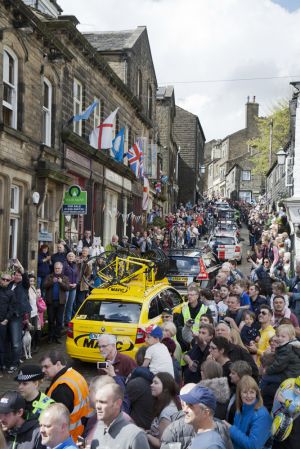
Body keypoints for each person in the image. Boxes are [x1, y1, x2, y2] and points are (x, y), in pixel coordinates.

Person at [40, 350, 93, 442]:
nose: (43, 370)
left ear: (58, 364)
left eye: (46, 367)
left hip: (69, 437)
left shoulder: (62, 388)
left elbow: (54, 420)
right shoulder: (74, 374)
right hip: (82, 431)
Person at [91, 383, 150, 449]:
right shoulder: (98, 427)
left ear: (118, 403)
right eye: (97, 401)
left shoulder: (136, 435)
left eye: (103, 402)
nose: (97, 406)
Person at [224, 375, 272, 449]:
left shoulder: (262, 415)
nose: (249, 396)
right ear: (240, 394)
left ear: (256, 393)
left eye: (252, 392)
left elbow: (253, 446)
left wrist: (231, 429)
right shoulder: (240, 410)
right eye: (245, 392)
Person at [180, 385, 226, 449]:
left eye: (190, 405)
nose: (184, 410)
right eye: (186, 404)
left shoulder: (212, 445)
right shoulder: (202, 436)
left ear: (206, 412)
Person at [147, 372, 180, 448]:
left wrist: (146, 435)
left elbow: (163, 444)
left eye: (156, 383)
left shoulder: (167, 412)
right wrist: (149, 431)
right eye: (152, 382)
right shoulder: (165, 404)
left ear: (165, 388)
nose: (151, 385)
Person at [7, 268, 31, 374]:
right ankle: (8, 361)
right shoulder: (9, 284)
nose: (17, 276)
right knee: (7, 340)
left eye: (19, 275)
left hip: (17, 315)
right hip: (6, 315)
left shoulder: (24, 285)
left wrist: (22, 270)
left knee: (16, 342)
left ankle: (15, 363)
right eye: (16, 275)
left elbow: (26, 278)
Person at [43, 262, 70, 343]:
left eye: (59, 268)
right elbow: (44, 286)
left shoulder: (65, 277)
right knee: (51, 320)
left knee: (59, 320)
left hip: (60, 302)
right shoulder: (49, 276)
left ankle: (57, 336)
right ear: (54, 268)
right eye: (56, 268)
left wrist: (61, 282)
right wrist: (52, 282)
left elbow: (67, 288)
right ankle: (50, 337)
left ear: (61, 269)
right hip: (51, 302)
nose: (57, 270)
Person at [176, 285, 209, 351]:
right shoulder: (184, 308)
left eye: (192, 295)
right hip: (186, 340)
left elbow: (209, 326)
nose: (189, 297)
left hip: (200, 339)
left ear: (197, 296)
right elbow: (179, 325)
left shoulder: (205, 309)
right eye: (188, 295)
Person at [0, 273, 15, 376]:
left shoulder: (11, 293)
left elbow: (12, 308)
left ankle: (0, 368)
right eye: (3, 279)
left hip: (2, 323)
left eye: (7, 280)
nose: (4, 281)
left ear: (10, 281)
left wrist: (6, 320)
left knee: (1, 346)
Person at [63, 252, 79, 325]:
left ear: (74, 257)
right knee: (64, 305)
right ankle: (62, 322)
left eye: (72, 256)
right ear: (67, 257)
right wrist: (67, 284)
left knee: (70, 305)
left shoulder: (75, 265)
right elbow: (62, 275)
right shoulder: (64, 264)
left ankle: (68, 321)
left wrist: (76, 283)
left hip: (73, 288)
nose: (71, 257)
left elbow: (77, 276)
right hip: (66, 287)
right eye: (69, 256)